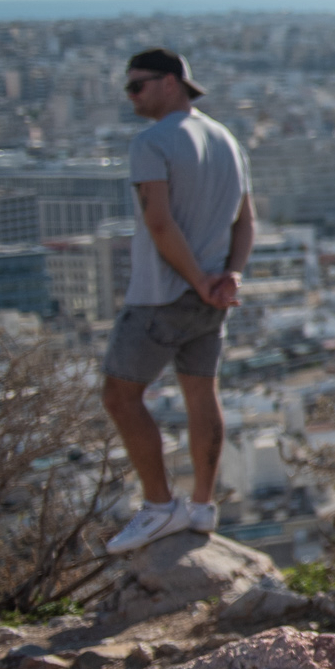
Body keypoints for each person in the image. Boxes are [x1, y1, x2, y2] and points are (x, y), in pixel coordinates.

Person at [100, 49, 255, 555]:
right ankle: (203, 505)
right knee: (201, 392)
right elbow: (246, 221)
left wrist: (196, 280)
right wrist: (229, 276)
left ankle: (160, 506)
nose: (131, 97)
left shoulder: (152, 142)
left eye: (137, 86)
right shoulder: (228, 140)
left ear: (171, 82)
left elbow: (159, 223)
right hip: (211, 298)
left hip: (163, 294)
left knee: (120, 396)